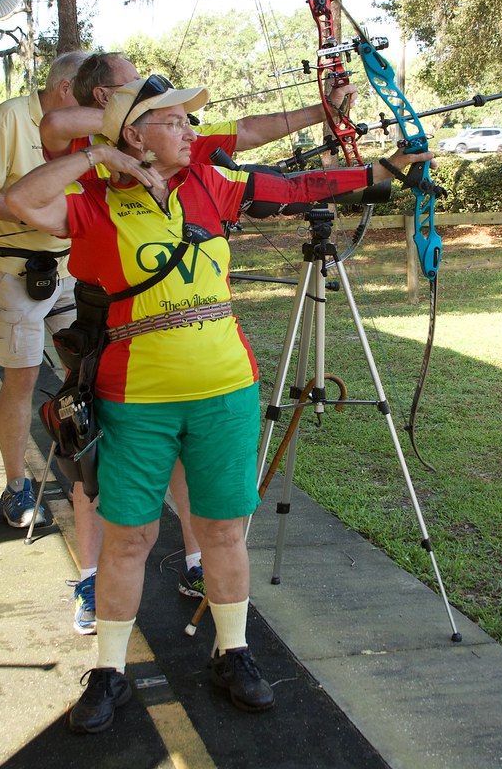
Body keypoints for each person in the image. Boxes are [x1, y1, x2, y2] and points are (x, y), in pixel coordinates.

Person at [5, 75, 433, 730]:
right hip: (134, 401)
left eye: (186, 122)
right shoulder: (88, 203)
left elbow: (298, 189)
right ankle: (111, 671)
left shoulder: (212, 183)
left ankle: (232, 651)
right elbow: (17, 200)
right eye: (172, 122)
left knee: (224, 531)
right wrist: (97, 158)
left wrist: (383, 169)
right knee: (128, 540)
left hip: (224, 395)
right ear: (133, 135)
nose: (189, 132)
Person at [38, 50, 360, 617]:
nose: (187, 123)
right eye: (131, 82)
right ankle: (94, 586)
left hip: (210, 372)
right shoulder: (84, 155)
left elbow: (257, 144)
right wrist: (121, 134)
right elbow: (51, 139)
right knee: (117, 511)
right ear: (103, 101)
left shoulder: (183, 151)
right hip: (125, 356)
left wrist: (327, 116)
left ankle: (204, 582)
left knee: (213, 507)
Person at [0, 53, 91, 535]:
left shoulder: (86, 128)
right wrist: (30, 214)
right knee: (22, 378)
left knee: (91, 368)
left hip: (76, 268)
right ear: (64, 89)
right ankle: (17, 485)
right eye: (91, 91)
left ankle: (91, 464)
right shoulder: (9, 117)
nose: (101, 101)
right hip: (17, 272)